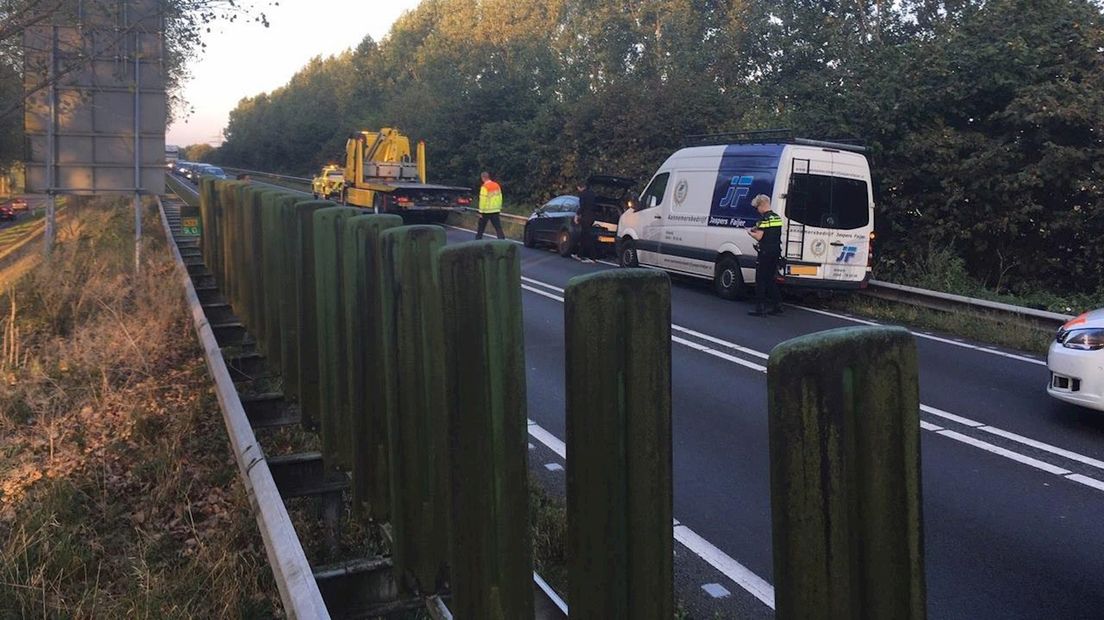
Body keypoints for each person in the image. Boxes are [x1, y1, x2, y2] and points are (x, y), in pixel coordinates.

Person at [747, 194, 783, 316]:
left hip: (765, 252)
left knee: (761, 280)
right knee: (770, 279)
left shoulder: (764, 219)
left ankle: (760, 309)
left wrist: (750, 233)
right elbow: (772, 232)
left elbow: (759, 236)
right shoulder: (777, 217)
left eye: (757, 207)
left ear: (762, 205)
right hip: (776, 251)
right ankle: (777, 305)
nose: (757, 210)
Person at [476, 171, 505, 240]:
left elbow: (483, 200)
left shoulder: (484, 187)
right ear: (488, 177)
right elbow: (500, 197)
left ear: (483, 178)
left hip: (486, 211)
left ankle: (477, 241)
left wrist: (480, 211)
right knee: (498, 227)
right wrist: (499, 207)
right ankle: (502, 240)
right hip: (495, 210)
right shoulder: (496, 185)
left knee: (481, 228)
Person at [573, 180, 596, 263]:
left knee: (586, 236)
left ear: (580, 187)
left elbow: (582, 206)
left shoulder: (583, 195)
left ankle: (592, 256)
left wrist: (577, 215)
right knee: (584, 236)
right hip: (592, 217)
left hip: (585, 217)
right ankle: (580, 254)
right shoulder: (592, 194)